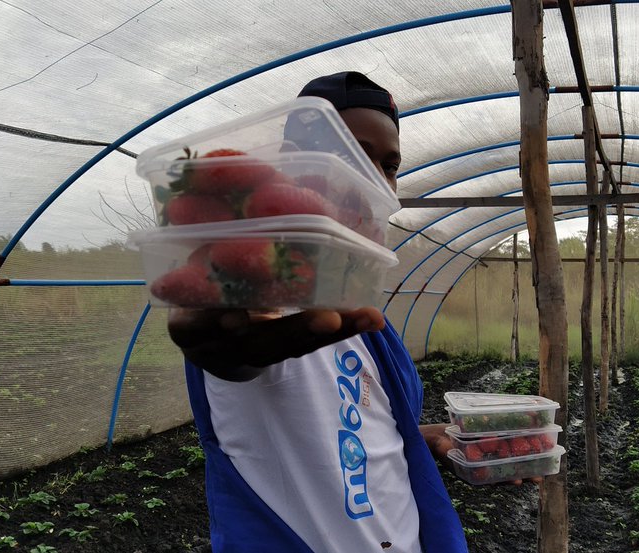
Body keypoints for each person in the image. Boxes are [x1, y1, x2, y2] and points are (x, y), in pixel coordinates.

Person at [169, 71, 470, 553]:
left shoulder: (358, 306)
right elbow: (232, 352)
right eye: (346, 154)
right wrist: (221, 341)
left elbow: (339, 416)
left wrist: (409, 438)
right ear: (290, 166)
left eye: (388, 164)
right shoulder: (258, 292)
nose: (375, 179)